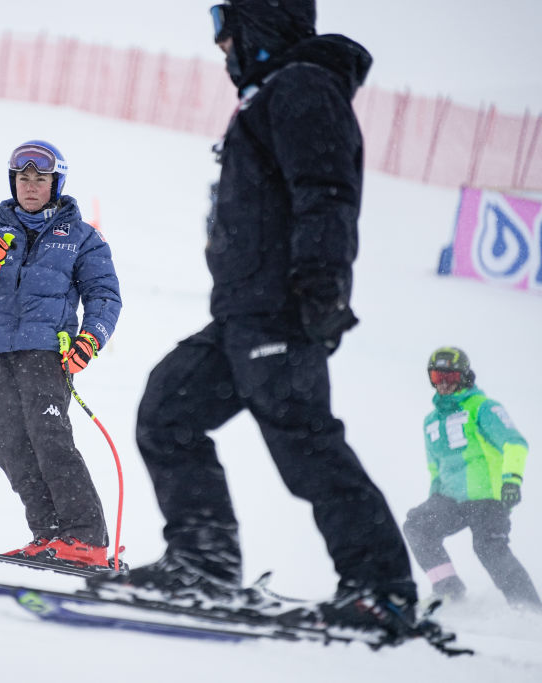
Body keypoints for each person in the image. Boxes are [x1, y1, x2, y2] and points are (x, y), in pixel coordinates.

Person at [89, 0, 419, 636]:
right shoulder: (272, 94)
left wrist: (320, 293)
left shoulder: (302, 88)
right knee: (168, 412)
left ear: (261, 26)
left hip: (282, 312)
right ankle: (203, 562)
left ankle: (383, 591)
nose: (221, 47)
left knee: (307, 447)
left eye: (226, 28)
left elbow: (325, 192)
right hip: (242, 313)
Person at [0, 140, 122, 568]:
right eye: (23, 178)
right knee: (10, 446)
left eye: (39, 179)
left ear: (55, 184)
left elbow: (104, 295)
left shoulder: (81, 237)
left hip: (45, 353)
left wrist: (90, 340)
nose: (30, 186)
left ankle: (86, 538)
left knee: (49, 439)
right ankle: (50, 535)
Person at [403, 347, 540, 610]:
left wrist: (512, 480)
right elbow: (435, 467)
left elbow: (514, 443)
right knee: (418, 526)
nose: (443, 383)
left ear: (464, 376)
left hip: (487, 497)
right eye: (436, 376)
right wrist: (434, 497)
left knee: (489, 548)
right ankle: (449, 591)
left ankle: (531, 610)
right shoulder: (431, 421)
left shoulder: (483, 408)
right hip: (450, 500)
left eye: (450, 376)